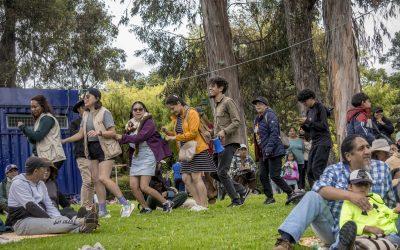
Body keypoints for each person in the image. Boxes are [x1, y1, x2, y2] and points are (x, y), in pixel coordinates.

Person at [273, 135, 396, 250]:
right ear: (348, 156)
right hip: (336, 228)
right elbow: (320, 188)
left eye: (368, 147)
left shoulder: (382, 168)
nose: (368, 151)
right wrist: (351, 196)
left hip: (375, 229)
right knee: (312, 196)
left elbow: (390, 201)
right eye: (361, 148)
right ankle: (285, 241)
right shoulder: (335, 170)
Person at [62, 88, 133, 218]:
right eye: (84, 97)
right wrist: (64, 140)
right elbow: (80, 134)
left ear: (96, 98)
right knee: (96, 180)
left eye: (88, 96)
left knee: (103, 178)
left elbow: (112, 132)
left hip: (105, 148)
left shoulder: (105, 112)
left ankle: (126, 203)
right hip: (90, 149)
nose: (85, 99)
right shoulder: (85, 114)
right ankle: (103, 211)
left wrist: (99, 132)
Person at [5, 156, 98, 235]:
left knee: (60, 221)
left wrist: (59, 218)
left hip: (39, 218)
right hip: (22, 222)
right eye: (44, 169)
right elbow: (31, 207)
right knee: (54, 224)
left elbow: (49, 206)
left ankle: (82, 227)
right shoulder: (18, 184)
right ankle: (82, 222)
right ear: (36, 171)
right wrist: (52, 221)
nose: (46, 171)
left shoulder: (41, 183)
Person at [116, 101, 173, 214]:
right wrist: (122, 137)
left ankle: (166, 203)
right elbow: (129, 140)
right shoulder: (130, 124)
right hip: (137, 157)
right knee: (133, 186)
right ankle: (145, 207)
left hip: (148, 155)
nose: (138, 111)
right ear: (132, 112)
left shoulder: (149, 123)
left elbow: (139, 138)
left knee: (144, 186)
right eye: (135, 109)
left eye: (140, 109)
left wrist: (122, 137)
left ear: (144, 110)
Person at [164, 95, 217, 211]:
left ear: (179, 103)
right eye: (170, 109)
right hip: (186, 151)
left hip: (197, 149)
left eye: (173, 108)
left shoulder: (192, 112)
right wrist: (170, 135)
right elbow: (179, 133)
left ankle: (204, 205)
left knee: (196, 177)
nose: (172, 111)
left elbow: (193, 133)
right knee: (185, 178)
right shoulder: (178, 117)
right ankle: (198, 203)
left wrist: (175, 138)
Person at [208, 76, 250, 207]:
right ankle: (242, 190)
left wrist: (224, 131)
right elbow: (218, 126)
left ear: (220, 88)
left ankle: (236, 200)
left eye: (213, 86)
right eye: (210, 86)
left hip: (230, 141)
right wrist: (210, 134)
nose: (210, 88)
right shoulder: (216, 105)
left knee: (221, 171)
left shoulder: (228, 102)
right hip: (219, 144)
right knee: (214, 172)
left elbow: (237, 121)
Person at [252, 96, 303, 205]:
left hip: (274, 151)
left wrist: (269, 148)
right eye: (256, 104)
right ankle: (270, 197)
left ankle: (291, 193)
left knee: (274, 175)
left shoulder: (270, 115)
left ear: (266, 105)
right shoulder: (257, 119)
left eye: (260, 104)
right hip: (263, 153)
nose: (257, 106)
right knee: (262, 175)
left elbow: (274, 133)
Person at [338, 169, 400, 248]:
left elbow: (386, 213)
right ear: (350, 186)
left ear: (370, 186)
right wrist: (367, 228)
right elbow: (344, 224)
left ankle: (355, 247)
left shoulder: (375, 197)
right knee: (385, 242)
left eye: (366, 184)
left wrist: (395, 211)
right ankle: (353, 246)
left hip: (389, 230)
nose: (363, 187)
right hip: (369, 235)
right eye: (359, 184)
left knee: (393, 239)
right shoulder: (348, 204)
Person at [18, 95, 66, 169]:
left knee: (45, 180)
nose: (33, 109)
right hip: (46, 157)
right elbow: (34, 140)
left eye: (35, 107)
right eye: (31, 107)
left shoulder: (47, 118)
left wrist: (23, 127)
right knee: (43, 180)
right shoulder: (39, 120)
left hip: (52, 157)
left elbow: (37, 136)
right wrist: (28, 134)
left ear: (42, 106)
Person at [297, 89, 332, 188]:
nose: (304, 103)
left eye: (305, 101)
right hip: (315, 142)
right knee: (309, 170)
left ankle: (325, 192)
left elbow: (323, 126)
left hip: (324, 141)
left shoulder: (320, 107)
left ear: (311, 98)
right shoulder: (309, 111)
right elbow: (311, 130)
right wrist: (303, 127)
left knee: (317, 168)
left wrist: (307, 121)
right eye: (302, 102)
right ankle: (317, 191)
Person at [71, 99, 94, 210]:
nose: (87, 109)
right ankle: (84, 206)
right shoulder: (74, 123)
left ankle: (89, 205)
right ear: (80, 109)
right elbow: (77, 137)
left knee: (93, 181)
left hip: (92, 155)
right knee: (87, 181)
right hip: (81, 155)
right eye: (84, 107)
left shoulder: (93, 120)